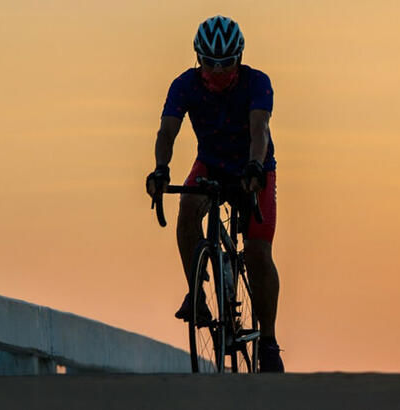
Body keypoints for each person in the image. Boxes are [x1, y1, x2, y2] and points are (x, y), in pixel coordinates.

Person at [145, 15, 284, 373]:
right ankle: (197, 294)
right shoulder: (184, 85)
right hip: (212, 164)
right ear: (198, 58)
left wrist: (255, 166)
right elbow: (167, 132)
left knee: (257, 252)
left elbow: (259, 129)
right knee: (187, 209)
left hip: (253, 168)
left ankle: (268, 342)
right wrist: (160, 169)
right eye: (210, 63)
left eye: (226, 63)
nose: (218, 72)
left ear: (240, 58)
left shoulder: (257, 82)